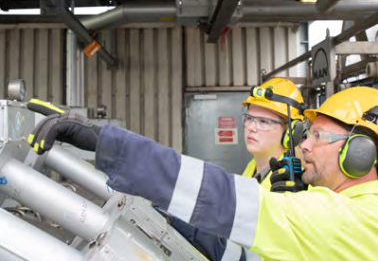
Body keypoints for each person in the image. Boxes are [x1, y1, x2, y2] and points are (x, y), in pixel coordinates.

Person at [27, 86, 378, 260]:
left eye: (317, 136)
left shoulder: (353, 219)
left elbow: (220, 197)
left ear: (361, 153)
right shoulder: (334, 200)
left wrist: (105, 142)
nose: (305, 146)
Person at [171, 77, 308, 260]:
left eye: (263, 122)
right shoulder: (253, 168)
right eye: (249, 118)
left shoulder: (289, 184)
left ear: (291, 132)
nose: (251, 127)